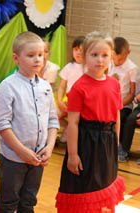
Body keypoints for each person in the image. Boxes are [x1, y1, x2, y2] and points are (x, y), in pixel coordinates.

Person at [55, 31, 126, 213]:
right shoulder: (79, 87)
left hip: (107, 142)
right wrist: (72, 154)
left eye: (104, 55)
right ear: (84, 56)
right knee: (85, 189)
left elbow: (116, 116)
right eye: (94, 55)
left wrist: (115, 143)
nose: (99, 60)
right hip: (87, 143)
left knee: (104, 187)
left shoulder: (114, 84)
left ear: (111, 57)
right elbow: (73, 123)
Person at [0, 31, 59, 212]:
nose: (38, 60)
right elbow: (2, 125)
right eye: (31, 56)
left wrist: (49, 147)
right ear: (16, 58)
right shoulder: (7, 87)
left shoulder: (45, 86)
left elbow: (53, 121)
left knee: (29, 201)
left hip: (38, 158)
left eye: (40, 55)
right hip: (13, 158)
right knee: (8, 202)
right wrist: (22, 151)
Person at [108, 37, 138, 162]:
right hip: (108, 103)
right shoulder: (108, 62)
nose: (117, 62)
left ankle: (123, 149)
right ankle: (108, 146)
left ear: (128, 53)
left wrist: (118, 104)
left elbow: (132, 93)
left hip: (124, 105)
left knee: (122, 117)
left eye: (120, 59)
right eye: (115, 58)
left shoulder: (132, 68)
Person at [57, 36, 85, 143]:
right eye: (76, 49)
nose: (78, 53)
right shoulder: (69, 67)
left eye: (81, 50)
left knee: (78, 120)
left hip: (82, 103)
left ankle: (72, 133)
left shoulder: (88, 68)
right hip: (67, 100)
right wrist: (59, 101)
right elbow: (62, 86)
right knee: (54, 116)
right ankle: (67, 128)